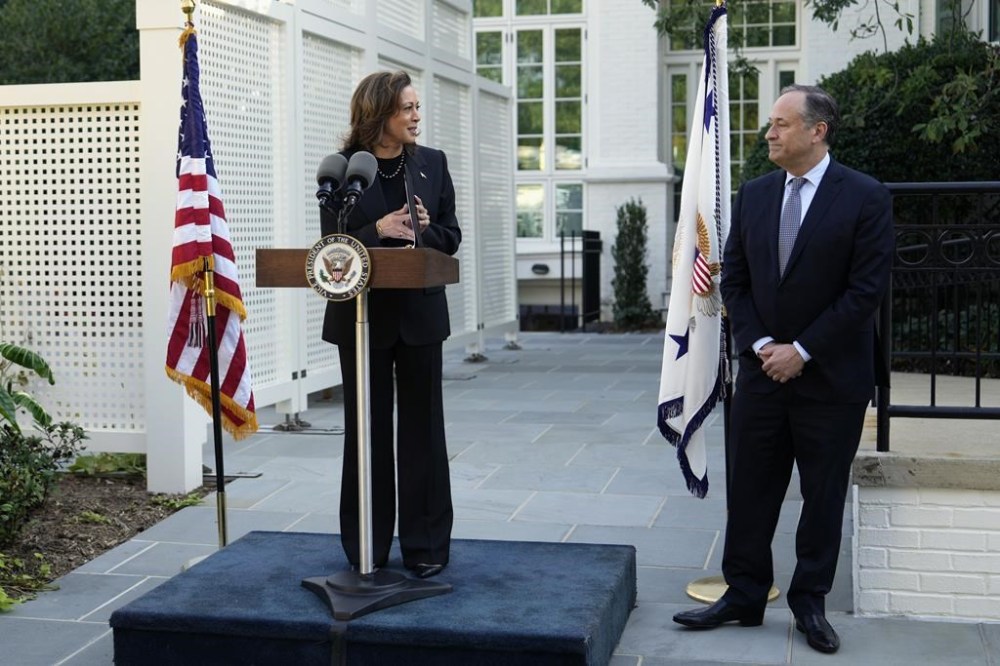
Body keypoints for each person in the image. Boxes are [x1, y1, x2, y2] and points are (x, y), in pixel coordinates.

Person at [672, 85, 895, 653]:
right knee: (749, 490)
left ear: (817, 131)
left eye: (780, 124)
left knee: (822, 496)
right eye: (769, 124)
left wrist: (803, 350)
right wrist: (764, 345)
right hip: (762, 374)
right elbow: (736, 281)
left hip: (831, 379)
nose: (768, 133)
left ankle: (809, 602)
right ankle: (744, 594)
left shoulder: (866, 197)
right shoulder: (754, 195)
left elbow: (864, 291)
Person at [320, 70, 461, 579]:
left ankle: (425, 546)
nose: (416, 116)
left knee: (424, 431)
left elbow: (452, 236)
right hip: (362, 320)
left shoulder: (432, 165)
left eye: (417, 108)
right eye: (407, 108)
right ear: (380, 114)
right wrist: (375, 229)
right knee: (366, 432)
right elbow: (329, 241)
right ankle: (367, 544)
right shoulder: (341, 170)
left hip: (421, 313)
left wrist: (427, 228)